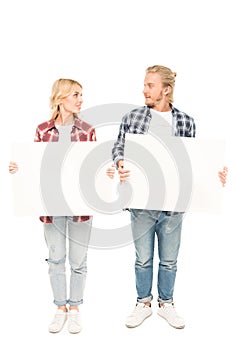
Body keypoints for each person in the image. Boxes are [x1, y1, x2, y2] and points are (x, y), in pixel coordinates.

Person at [107, 65, 228, 329]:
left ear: (166, 89)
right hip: (141, 203)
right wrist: (120, 163)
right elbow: (118, 146)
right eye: (145, 84)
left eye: (150, 85)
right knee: (143, 259)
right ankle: (143, 303)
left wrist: (213, 176)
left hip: (173, 204)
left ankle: (166, 303)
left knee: (170, 260)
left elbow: (193, 162)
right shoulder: (133, 117)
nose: (144, 89)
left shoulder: (186, 122)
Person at [9, 78, 96, 334]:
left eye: (81, 94)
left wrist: (105, 175)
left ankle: (76, 308)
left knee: (78, 261)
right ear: (60, 98)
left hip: (80, 205)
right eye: (75, 94)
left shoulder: (88, 130)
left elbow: (91, 168)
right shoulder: (42, 130)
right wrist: (20, 168)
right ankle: (61, 308)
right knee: (56, 259)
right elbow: (36, 166)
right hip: (51, 204)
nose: (80, 99)